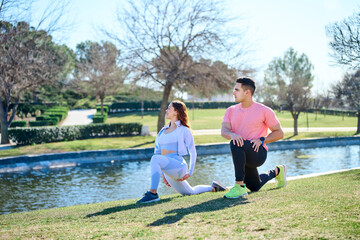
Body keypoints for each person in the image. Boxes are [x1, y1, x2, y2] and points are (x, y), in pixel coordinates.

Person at [137, 100, 227, 204]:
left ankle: (153, 194)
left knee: (154, 158)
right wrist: (163, 174)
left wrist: (190, 172)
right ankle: (214, 188)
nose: (166, 110)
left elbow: (193, 151)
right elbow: (158, 153)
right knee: (190, 192)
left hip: (178, 167)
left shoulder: (184, 130)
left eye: (169, 108)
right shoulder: (163, 130)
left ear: (176, 112)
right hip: (168, 169)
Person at [221, 77, 287, 199]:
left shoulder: (264, 110)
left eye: (237, 90)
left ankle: (239, 186)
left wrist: (263, 140)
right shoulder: (230, 111)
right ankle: (277, 171)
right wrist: (232, 134)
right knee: (254, 186)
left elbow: (279, 133)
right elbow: (224, 130)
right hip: (242, 155)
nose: (233, 92)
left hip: (258, 153)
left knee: (235, 143)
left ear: (247, 92)